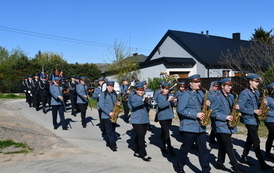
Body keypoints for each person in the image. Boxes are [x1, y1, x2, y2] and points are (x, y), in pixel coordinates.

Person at [176, 74, 210, 173]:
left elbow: (201, 106)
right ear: (190, 83)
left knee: (203, 150)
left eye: (199, 82)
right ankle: (179, 166)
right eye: (196, 82)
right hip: (189, 127)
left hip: (200, 127)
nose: (199, 84)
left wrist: (206, 104)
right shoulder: (185, 94)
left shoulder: (200, 93)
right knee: (185, 149)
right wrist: (196, 114)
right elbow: (180, 110)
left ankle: (206, 170)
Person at [238, 74, 273, 171]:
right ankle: (262, 163)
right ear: (250, 82)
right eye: (256, 82)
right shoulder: (244, 93)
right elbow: (239, 107)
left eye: (258, 82)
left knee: (250, 138)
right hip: (248, 119)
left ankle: (244, 156)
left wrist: (263, 104)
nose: (258, 83)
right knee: (255, 140)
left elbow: (256, 104)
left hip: (255, 119)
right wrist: (253, 111)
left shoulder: (257, 92)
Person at [210, 78, 244, 173]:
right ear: (222, 86)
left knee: (222, 144)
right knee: (228, 145)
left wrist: (236, 108)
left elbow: (230, 109)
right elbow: (212, 113)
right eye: (228, 85)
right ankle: (236, 166)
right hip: (220, 125)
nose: (230, 87)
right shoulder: (216, 97)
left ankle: (219, 163)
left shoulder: (231, 96)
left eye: (231, 85)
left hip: (229, 125)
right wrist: (225, 117)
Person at [128, 83, 152, 161]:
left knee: (140, 136)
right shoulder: (133, 97)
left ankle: (136, 151)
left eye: (142, 90)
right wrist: (142, 100)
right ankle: (144, 154)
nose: (141, 92)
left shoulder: (144, 97)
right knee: (141, 136)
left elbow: (150, 106)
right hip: (136, 119)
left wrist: (150, 101)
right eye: (139, 90)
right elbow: (134, 105)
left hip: (144, 119)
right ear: (136, 90)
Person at [98, 81, 120, 151]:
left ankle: (109, 141)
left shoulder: (114, 94)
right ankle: (113, 146)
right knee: (109, 130)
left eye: (112, 86)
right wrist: (108, 112)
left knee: (113, 129)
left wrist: (118, 103)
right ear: (107, 86)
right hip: (106, 115)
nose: (111, 88)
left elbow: (115, 102)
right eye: (110, 86)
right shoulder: (103, 94)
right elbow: (101, 105)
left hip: (114, 115)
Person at [156, 83, 176, 156]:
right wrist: (168, 100)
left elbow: (174, 105)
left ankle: (163, 146)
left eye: (168, 89)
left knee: (165, 132)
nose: (167, 91)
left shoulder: (169, 95)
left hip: (169, 116)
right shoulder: (159, 96)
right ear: (162, 89)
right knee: (166, 133)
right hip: (162, 117)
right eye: (165, 89)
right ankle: (170, 149)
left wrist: (174, 101)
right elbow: (161, 105)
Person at [264, 83, 274, 160]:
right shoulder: (267, 99)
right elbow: (263, 109)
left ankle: (267, 153)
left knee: (271, 136)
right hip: (270, 119)